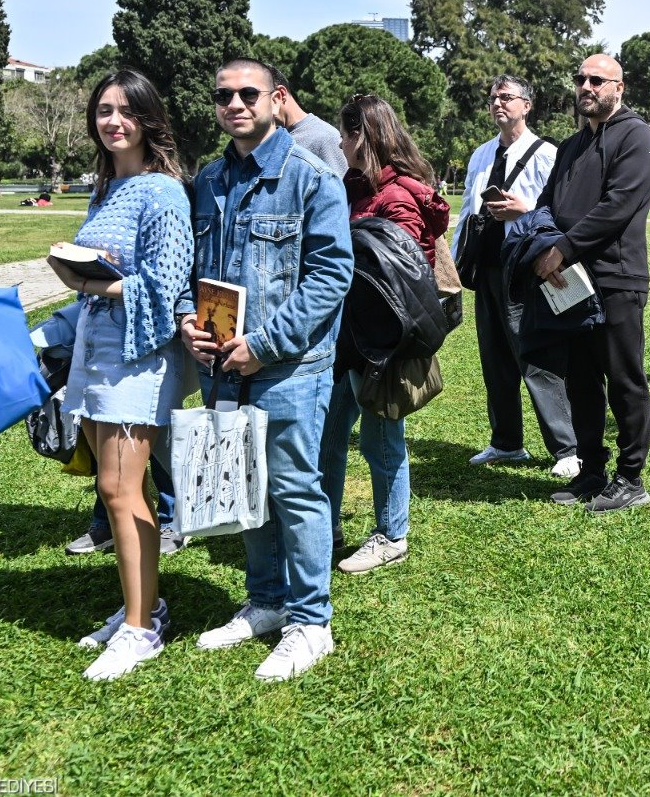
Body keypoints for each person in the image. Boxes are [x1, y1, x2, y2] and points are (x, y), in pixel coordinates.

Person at [179, 58, 354, 682]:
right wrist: (188, 323)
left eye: (247, 93)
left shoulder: (310, 177)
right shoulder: (209, 180)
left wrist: (266, 342)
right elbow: (190, 271)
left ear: (276, 99)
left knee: (294, 488)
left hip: (291, 366)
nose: (235, 104)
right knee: (245, 486)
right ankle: (266, 601)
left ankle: (312, 621)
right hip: (223, 364)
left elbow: (332, 276)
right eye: (223, 95)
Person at [30, 69, 194, 680]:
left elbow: (167, 285)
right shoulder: (106, 189)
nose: (113, 120)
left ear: (149, 119)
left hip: (142, 357)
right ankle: (141, 605)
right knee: (119, 489)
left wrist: (91, 281)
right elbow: (98, 287)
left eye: (126, 110)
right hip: (96, 352)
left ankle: (140, 628)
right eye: (103, 110)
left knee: (120, 491)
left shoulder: (163, 192)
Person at [321, 95, 450, 573]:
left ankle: (392, 534)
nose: (339, 141)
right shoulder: (357, 186)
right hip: (348, 335)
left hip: (381, 340)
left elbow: (406, 274)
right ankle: (325, 525)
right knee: (329, 435)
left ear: (365, 138)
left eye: (346, 133)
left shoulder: (395, 196)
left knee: (381, 437)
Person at [534, 54, 650, 512]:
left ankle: (631, 479)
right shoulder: (570, 145)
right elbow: (548, 203)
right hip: (571, 281)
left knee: (624, 380)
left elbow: (618, 206)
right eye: (581, 78)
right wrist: (539, 245)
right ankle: (591, 470)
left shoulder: (636, 136)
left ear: (618, 87)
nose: (585, 86)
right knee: (581, 381)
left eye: (596, 80)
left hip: (616, 276)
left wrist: (562, 248)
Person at [457, 76, 577, 476]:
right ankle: (506, 443)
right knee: (494, 359)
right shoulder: (480, 154)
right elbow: (466, 215)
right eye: (493, 98)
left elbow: (561, 215)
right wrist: (457, 264)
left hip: (526, 267)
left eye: (506, 98)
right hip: (486, 268)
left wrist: (524, 210)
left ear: (527, 105)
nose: (497, 104)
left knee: (536, 356)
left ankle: (567, 450)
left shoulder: (547, 155)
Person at [269, 67, 349, 176]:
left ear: (280, 95)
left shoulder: (325, 138)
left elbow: (342, 189)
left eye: (252, 96)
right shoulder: (272, 138)